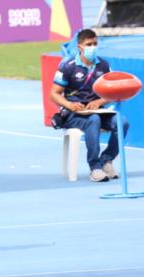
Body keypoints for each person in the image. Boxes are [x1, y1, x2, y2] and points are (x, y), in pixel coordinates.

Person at [50, 29, 129, 182]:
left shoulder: (104, 65)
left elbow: (112, 92)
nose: (92, 47)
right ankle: (95, 168)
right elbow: (53, 94)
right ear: (80, 47)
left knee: (122, 122)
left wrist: (99, 102)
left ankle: (106, 160)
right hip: (73, 113)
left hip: (98, 111)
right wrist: (70, 105)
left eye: (95, 44)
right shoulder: (68, 67)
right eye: (89, 44)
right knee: (93, 120)